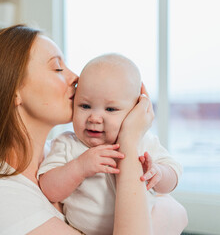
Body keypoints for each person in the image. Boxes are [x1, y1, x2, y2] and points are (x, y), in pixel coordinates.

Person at [0, 25, 167, 235]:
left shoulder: (57, 152)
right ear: (13, 91)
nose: (76, 77)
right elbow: (171, 212)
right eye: (57, 68)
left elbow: (174, 207)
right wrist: (129, 139)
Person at [38, 54, 187, 235]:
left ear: (135, 111)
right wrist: (79, 167)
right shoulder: (68, 143)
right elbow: (48, 189)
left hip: (145, 226)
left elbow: (173, 175)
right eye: (85, 106)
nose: (94, 117)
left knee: (168, 212)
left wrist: (159, 172)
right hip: (86, 231)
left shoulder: (143, 141)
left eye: (110, 109)